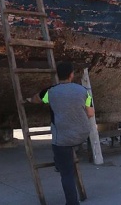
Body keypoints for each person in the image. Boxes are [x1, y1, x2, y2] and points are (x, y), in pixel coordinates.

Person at [28, 62, 94, 205]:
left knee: (66, 173)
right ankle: (62, 161)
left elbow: (36, 100)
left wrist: (28, 99)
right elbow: (90, 113)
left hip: (63, 139)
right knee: (67, 149)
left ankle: (72, 202)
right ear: (71, 75)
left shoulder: (50, 92)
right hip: (82, 134)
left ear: (57, 75)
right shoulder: (83, 91)